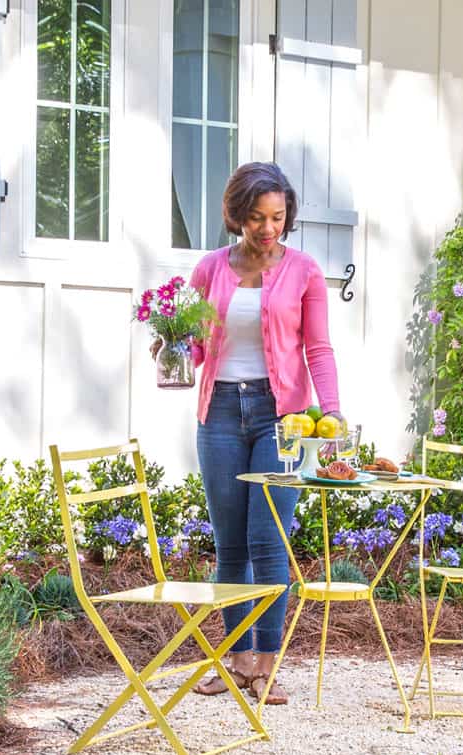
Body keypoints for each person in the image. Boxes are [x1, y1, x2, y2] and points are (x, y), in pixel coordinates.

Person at [178, 162, 344, 704]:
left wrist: (334, 413)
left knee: (268, 542)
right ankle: (237, 660)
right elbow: (197, 347)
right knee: (230, 546)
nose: (268, 228)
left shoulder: (305, 272)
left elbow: (317, 349)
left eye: (276, 217)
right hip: (220, 413)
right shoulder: (209, 269)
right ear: (237, 216)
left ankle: (267, 665)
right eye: (256, 218)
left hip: (283, 420)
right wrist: (171, 349)